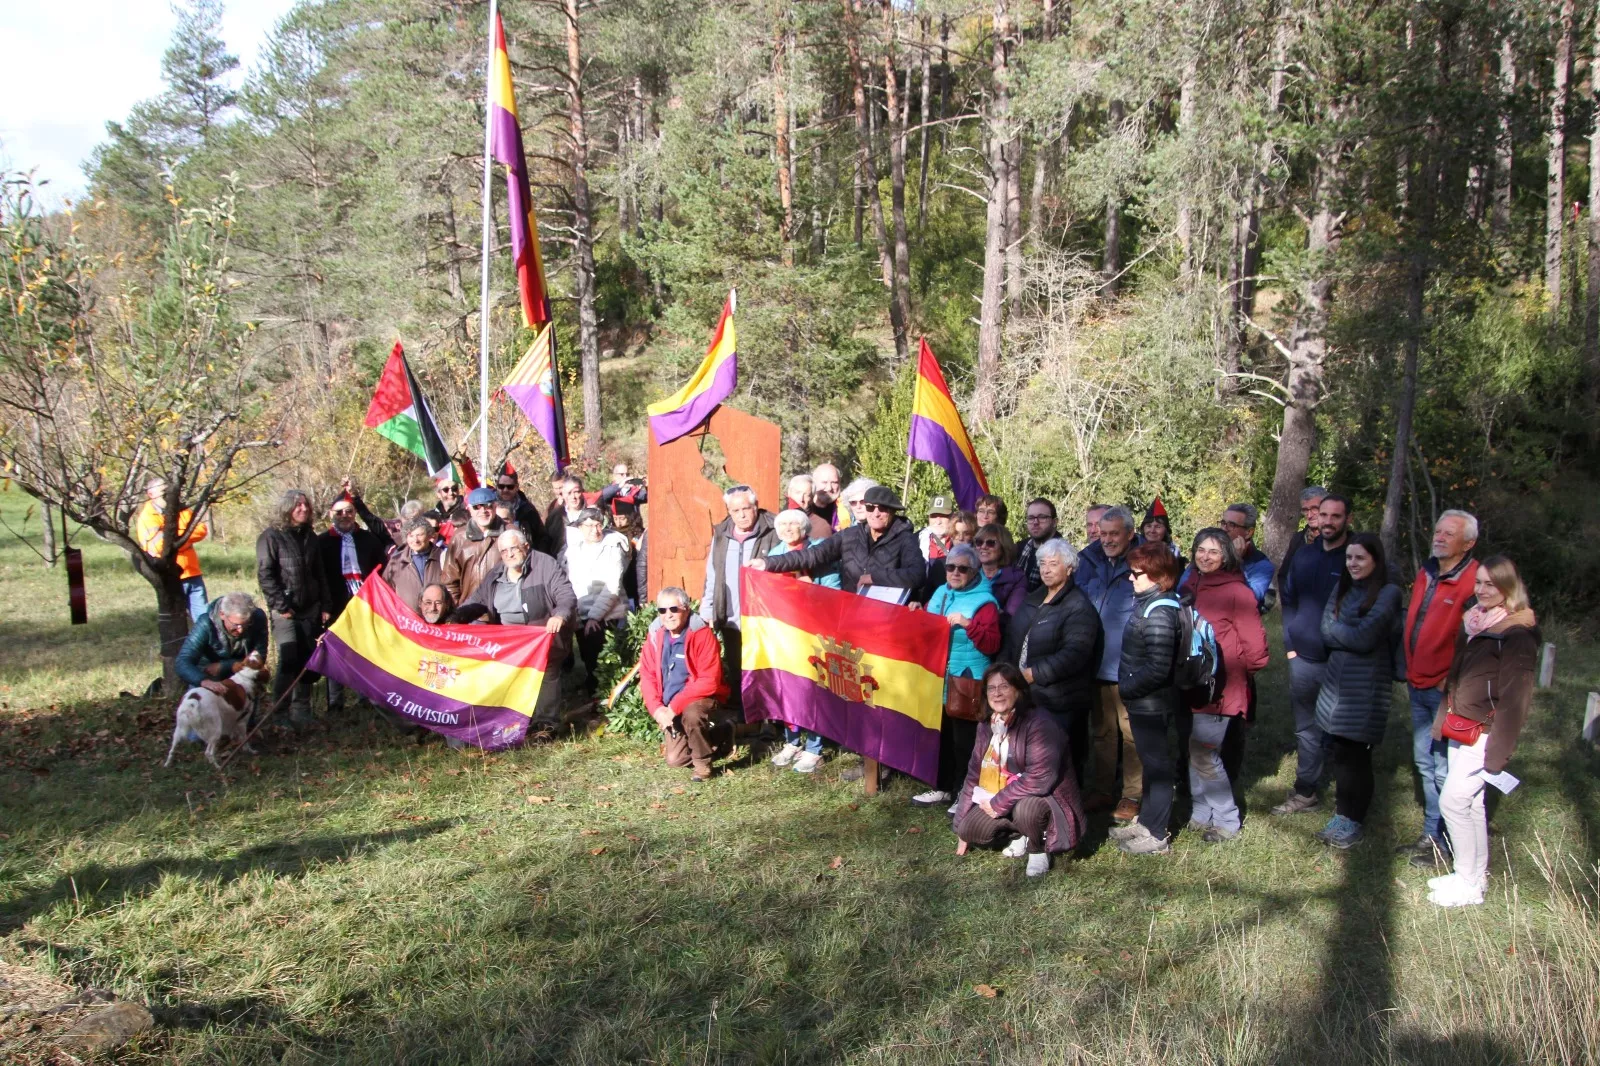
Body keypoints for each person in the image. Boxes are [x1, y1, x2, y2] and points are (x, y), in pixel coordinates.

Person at [1429, 556, 1539, 908]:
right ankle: (1471, 877)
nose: (1482, 590)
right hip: (1461, 722)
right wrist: (1443, 716)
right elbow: (1457, 675)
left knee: (1453, 801)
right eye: (1478, 583)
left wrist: (1498, 752)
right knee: (1472, 803)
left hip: (1486, 731)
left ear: (1508, 587)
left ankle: (1468, 883)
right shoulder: (1475, 623)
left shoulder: (1516, 634)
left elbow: (1515, 698)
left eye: (1491, 584)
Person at [1397, 510, 1481, 869]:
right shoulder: (1428, 571)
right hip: (1418, 681)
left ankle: (1444, 840)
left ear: (1468, 543)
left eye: (1449, 534)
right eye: (1438, 531)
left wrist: (1452, 682)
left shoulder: (1476, 581)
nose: (1440, 538)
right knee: (1424, 763)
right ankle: (1431, 834)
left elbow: (1477, 640)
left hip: (1447, 689)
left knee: (1445, 767)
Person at [952, 663, 1087, 878]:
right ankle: (1020, 834)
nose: (997, 694)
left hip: (1046, 797)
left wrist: (997, 804)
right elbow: (973, 774)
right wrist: (960, 825)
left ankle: (1038, 848)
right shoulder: (987, 725)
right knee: (969, 828)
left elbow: (1041, 779)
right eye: (991, 688)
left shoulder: (1040, 724)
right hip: (1004, 794)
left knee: (1027, 809)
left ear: (1019, 690)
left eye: (1004, 687)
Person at [1312, 532, 1404, 849]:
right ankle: (1342, 814)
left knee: (1356, 757)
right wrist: (1345, 633)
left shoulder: (1389, 594)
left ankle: (1354, 820)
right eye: (1349, 557)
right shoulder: (1344, 589)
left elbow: (1366, 638)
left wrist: (1341, 633)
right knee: (1339, 753)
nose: (1353, 563)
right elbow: (1324, 630)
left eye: (1360, 558)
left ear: (1375, 560)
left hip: (1365, 690)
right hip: (1336, 686)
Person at [1180, 529, 1269, 842]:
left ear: (1226, 556)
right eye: (1201, 550)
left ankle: (1227, 820)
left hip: (1221, 688)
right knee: (1194, 750)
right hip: (1191, 684)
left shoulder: (1237, 591)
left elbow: (1257, 650)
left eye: (1213, 552)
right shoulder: (1190, 583)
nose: (1205, 556)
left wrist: (1234, 671)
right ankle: (1202, 812)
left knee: (1205, 754)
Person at [1273, 492, 1353, 816]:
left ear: (1347, 519)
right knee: (1306, 728)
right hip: (1303, 658)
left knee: (1345, 729)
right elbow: (1289, 598)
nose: (1328, 521)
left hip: (1341, 659)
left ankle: (1349, 803)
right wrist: (1290, 645)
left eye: (1336, 516)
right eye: (1324, 515)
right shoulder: (1304, 555)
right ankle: (1306, 791)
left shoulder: (1356, 556)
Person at [1001, 538, 1102, 786]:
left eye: (1053, 564)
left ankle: (1060, 815)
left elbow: (1075, 654)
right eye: (1042, 563)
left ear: (1069, 568)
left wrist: (1034, 674)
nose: (1045, 569)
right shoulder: (1034, 598)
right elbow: (1013, 640)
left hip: (1059, 698)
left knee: (1056, 763)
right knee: (1024, 758)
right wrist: (1004, 673)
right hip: (1026, 692)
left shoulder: (1078, 606)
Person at [461, 528, 577, 741]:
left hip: (541, 638)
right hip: (510, 644)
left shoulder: (545, 565)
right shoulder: (496, 574)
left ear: (525, 546)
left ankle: (546, 726)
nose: (509, 554)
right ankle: (514, 721)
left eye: (513, 548)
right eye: (503, 551)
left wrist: (559, 615)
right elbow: (477, 600)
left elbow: (565, 595)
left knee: (547, 675)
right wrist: (457, 617)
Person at [1107, 543, 1185, 855]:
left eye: (1136, 573)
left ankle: (1157, 836)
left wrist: (1126, 688)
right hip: (1142, 701)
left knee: (1158, 767)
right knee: (1151, 766)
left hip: (1151, 703)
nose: (1130, 578)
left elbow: (1158, 668)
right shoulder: (1149, 603)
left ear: (1156, 576)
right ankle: (1147, 822)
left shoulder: (1161, 612)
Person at [912, 544, 1002, 809]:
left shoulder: (985, 602)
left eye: (962, 568)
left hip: (967, 680)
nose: (955, 573)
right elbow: (925, 630)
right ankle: (941, 787)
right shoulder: (940, 593)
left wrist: (968, 624)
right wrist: (917, 613)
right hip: (938, 677)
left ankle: (964, 791)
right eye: (950, 567)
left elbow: (992, 644)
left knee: (965, 741)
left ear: (974, 572)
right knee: (939, 736)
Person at [1076, 505, 1143, 819]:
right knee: (1102, 732)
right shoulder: (1087, 559)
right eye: (1103, 533)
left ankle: (1132, 795)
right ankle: (1102, 790)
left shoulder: (1145, 560)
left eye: (1114, 533)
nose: (1107, 540)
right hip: (1097, 662)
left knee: (1131, 734)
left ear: (1130, 533)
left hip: (1130, 664)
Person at [754, 485, 926, 599]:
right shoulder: (849, 535)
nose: (875, 513)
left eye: (882, 508)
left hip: (885, 618)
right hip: (850, 613)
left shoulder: (905, 539)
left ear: (893, 512)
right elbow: (812, 555)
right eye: (870, 507)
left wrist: (875, 577)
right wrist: (767, 563)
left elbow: (917, 575)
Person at [256, 489, 330, 730]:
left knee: (308, 660)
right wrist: (281, 605)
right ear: (287, 508)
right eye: (298, 505)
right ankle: (279, 713)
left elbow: (321, 573)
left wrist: (325, 605)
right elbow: (265, 575)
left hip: (311, 608)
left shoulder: (310, 536)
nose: (303, 509)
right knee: (289, 660)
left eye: (306, 505)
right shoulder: (270, 537)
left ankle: (302, 711)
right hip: (285, 612)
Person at [639, 586, 730, 782]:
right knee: (676, 759)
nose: (668, 615)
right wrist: (657, 710)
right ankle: (724, 732)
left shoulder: (701, 634)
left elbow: (709, 681)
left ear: (686, 609)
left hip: (699, 697)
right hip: (671, 704)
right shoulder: (655, 635)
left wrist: (674, 707)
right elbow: (647, 675)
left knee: (692, 714)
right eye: (662, 610)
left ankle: (703, 765)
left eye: (674, 609)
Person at [702, 485, 779, 703]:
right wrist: (708, 608)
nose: (742, 515)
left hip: (762, 617)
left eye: (746, 508)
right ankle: (741, 712)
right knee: (736, 666)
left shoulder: (772, 531)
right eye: (735, 511)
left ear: (756, 506)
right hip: (731, 616)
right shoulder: (722, 534)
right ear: (729, 511)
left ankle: (766, 714)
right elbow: (712, 574)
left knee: (763, 667)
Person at [566, 507, 633, 695]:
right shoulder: (573, 550)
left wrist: (595, 616)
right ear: (579, 527)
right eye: (589, 526)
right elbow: (572, 581)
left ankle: (607, 698)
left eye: (598, 525)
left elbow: (613, 586)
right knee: (589, 658)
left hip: (607, 614)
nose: (595, 530)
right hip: (582, 613)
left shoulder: (613, 546)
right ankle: (592, 694)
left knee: (606, 661)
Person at [135, 477, 211, 622]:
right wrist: (187, 540)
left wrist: (178, 540)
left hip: (193, 572)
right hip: (171, 576)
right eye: (164, 491)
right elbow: (159, 547)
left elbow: (201, 530)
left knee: (204, 621)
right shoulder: (147, 517)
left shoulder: (181, 509)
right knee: (178, 621)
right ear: (151, 494)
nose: (168, 494)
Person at [175, 591, 269, 694]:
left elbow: (259, 657)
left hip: (241, 676)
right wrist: (203, 681)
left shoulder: (258, 618)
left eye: (246, 624)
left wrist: (226, 666)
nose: (241, 630)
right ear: (222, 614)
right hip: (207, 675)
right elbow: (182, 661)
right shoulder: (206, 623)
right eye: (235, 625)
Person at [441, 487, 506, 604]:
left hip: (504, 609)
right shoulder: (459, 537)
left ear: (495, 507)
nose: (483, 511)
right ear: (470, 510)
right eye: (477, 507)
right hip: (471, 610)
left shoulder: (510, 533)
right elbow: (449, 581)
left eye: (488, 506)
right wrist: (457, 609)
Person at [382, 518, 446, 615]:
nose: (415, 540)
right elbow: (385, 591)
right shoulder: (396, 561)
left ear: (429, 535)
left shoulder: (443, 557)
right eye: (411, 536)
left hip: (439, 618)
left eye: (420, 535)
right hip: (409, 621)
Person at [1219, 503, 1275, 610]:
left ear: (1248, 532)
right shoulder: (1208, 553)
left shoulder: (1261, 566)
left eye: (1231, 525)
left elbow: (1248, 601)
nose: (1224, 529)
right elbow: (1184, 587)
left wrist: (1235, 561)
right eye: (1223, 523)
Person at [1276, 485, 1328, 589]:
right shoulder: (1298, 539)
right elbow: (1283, 575)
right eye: (1305, 510)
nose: (1309, 515)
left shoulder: (1337, 539)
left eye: (1314, 509)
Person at [975, 523, 1027, 621]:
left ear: (1003, 547)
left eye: (990, 543)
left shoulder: (1017, 578)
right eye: (979, 542)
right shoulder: (968, 572)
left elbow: (1011, 617)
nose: (983, 546)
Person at [494, 468, 548, 554]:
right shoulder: (488, 508)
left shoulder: (528, 510)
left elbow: (541, 539)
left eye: (510, 487)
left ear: (516, 487)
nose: (505, 490)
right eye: (501, 486)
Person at [1017, 498, 1062, 592]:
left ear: (1054, 522)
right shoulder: (1018, 549)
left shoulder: (1063, 554)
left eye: (1042, 517)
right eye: (1031, 518)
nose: (1035, 522)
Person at [542, 475, 587, 560]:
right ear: (563, 494)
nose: (573, 497)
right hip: (563, 565)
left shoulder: (592, 514)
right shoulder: (555, 516)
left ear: (582, 492)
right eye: (569, 493)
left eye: (576, 492)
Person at [1139, 498, 1183, 567]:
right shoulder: (1134, 549)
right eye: (1148, 526)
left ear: (1166, 529)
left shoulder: (1173, 555)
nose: (1152, 530)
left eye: (1158, 527)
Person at [424, 477, 468, 543]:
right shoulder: (431, 516)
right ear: (438, 494)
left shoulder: (467, 512)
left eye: (454, 489)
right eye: (446, 490)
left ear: (458, 491)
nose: (451, 493)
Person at [918, 496, 956, 562]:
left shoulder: (959, 543)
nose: (938, 522)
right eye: (934, 516)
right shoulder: (916, 541)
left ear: (952, 517)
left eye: (943, 516)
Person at [809, 463, 844, 531]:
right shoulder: (803, 508)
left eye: (834, 482)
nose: (829, 488)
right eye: (824, 482)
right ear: (813, 483)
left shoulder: (846, 508)